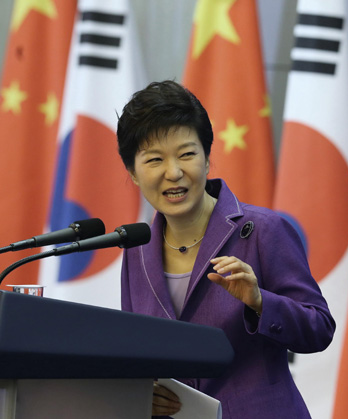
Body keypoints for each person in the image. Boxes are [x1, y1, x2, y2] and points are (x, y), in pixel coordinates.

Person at [116, 80, 335, 418]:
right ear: (132, 172)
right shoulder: (137, 247)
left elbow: (319, 328)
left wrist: (259, 301)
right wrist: (142, 390)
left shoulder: (263, 230)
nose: (173, 173)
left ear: (206, 159)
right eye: (155, 159)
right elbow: (138, 347)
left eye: (187, 154)